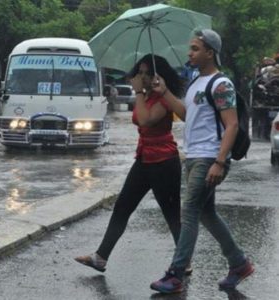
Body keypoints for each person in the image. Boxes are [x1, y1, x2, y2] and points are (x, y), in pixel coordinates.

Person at [150, 29, 254, 294]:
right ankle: (239, 263)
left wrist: (220, 161)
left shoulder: (221, 85)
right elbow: (188, 114)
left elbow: (231, 125)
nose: (189, 53)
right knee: (206, 213)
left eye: (195, 48)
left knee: (190, 210)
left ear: (210, 52)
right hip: (194, 156)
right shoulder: (196, 82)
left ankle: (176, 275)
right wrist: (163, 93)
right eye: (190, 48)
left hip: (210, 157)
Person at [74, 54, 188, 274]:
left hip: (164, 162)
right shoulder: (147, 97)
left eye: (147, 73)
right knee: (123, 207)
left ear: (158, 75)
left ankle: (185, 261)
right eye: (140, 72)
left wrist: (138, 92)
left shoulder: (163, 98)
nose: (142, 77)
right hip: (144, 158)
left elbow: (145, 120)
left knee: (171, 214)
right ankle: (101, 257)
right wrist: (141, 94)